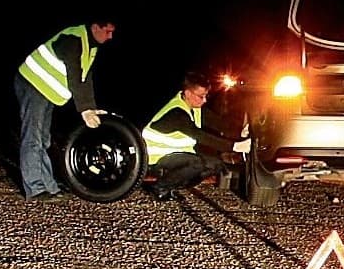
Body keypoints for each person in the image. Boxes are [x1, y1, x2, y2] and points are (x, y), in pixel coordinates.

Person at [15, 18, 116, 202]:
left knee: (44, 140)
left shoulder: (90, 47)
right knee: (33, 138)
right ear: (95, 27)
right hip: (33, 84)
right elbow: (74, 75)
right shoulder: (73, 38)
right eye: (107, 31)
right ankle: (35, 189)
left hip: (45, 90)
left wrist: (91, 108)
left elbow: (86, 80)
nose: (110, 37)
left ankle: (48, 186)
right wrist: (84, 110)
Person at [141, 71, 251, 201]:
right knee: (196, 164)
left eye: (205, 96)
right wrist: (235, 146)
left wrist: (241, 130)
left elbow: (218, 123)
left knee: (215, 164)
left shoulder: (196, 107)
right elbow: (200, 136)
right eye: (201, 96)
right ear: (188, 94)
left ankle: (171, 185)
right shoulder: (176, 112)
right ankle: (159, 188)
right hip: (154, 158)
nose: (204, 100)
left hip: (176, 155)